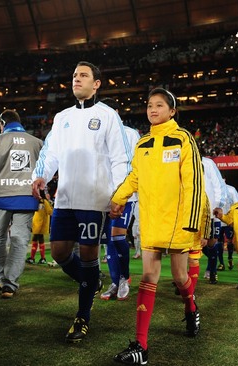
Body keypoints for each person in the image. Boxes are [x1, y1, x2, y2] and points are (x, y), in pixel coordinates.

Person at [31, 61, 131, 342]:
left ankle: (82, 316)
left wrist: (118, 195)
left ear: (96, 84)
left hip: (94, 200)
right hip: (64, 199)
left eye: (83, 75)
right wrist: (40, 176)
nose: (77, 79)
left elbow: (121, 158)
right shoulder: (62, 117)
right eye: (74, 75)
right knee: (60, 254)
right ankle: (94, 282)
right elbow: (50, 152)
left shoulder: (108, 116)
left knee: (88, 256)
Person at [110, 87, 205, 365]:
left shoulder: (183, 139)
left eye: (160, 105)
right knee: (148, 277)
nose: (153, 109)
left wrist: (192, 221)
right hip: (151, 220)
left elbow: (194, 183)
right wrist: (118, 198)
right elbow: (134, 177)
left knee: (179, 277)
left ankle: (191, 306)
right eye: (150, 105)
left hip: (179, 223)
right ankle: (141, 346)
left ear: (172, 111)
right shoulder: (142, 144)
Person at [0, 109, 43, 299]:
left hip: (1, 196)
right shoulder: (37, 142)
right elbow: (46, 168)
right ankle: (10, 284)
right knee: (20, 239)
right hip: (26, 196)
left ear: (1, 123)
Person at [99, 97, 140, 301]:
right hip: (101, 195)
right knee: (107, 241)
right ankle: (115, 282)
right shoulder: (96, 134)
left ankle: (124, 278)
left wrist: (124, 193)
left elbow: (135, 165)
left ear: (115, 111)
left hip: (125, 195)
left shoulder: (130, 134)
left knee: (116, 236)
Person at [201, 156, 228, 284]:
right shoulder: (181, 159)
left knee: (211, 243)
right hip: (189, 213)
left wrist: (219, 204)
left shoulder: (207, 162)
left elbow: (218, 184)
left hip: (210, 212)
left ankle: (212, 271)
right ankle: (184, 276)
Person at [26, 191, 53, 265]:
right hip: (36, 223)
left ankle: (35, 258)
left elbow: (50, 212)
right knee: (39, 239)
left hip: (41, 224)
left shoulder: (44, 202)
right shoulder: (38, 201)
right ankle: (39, 258)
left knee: (37, 238)